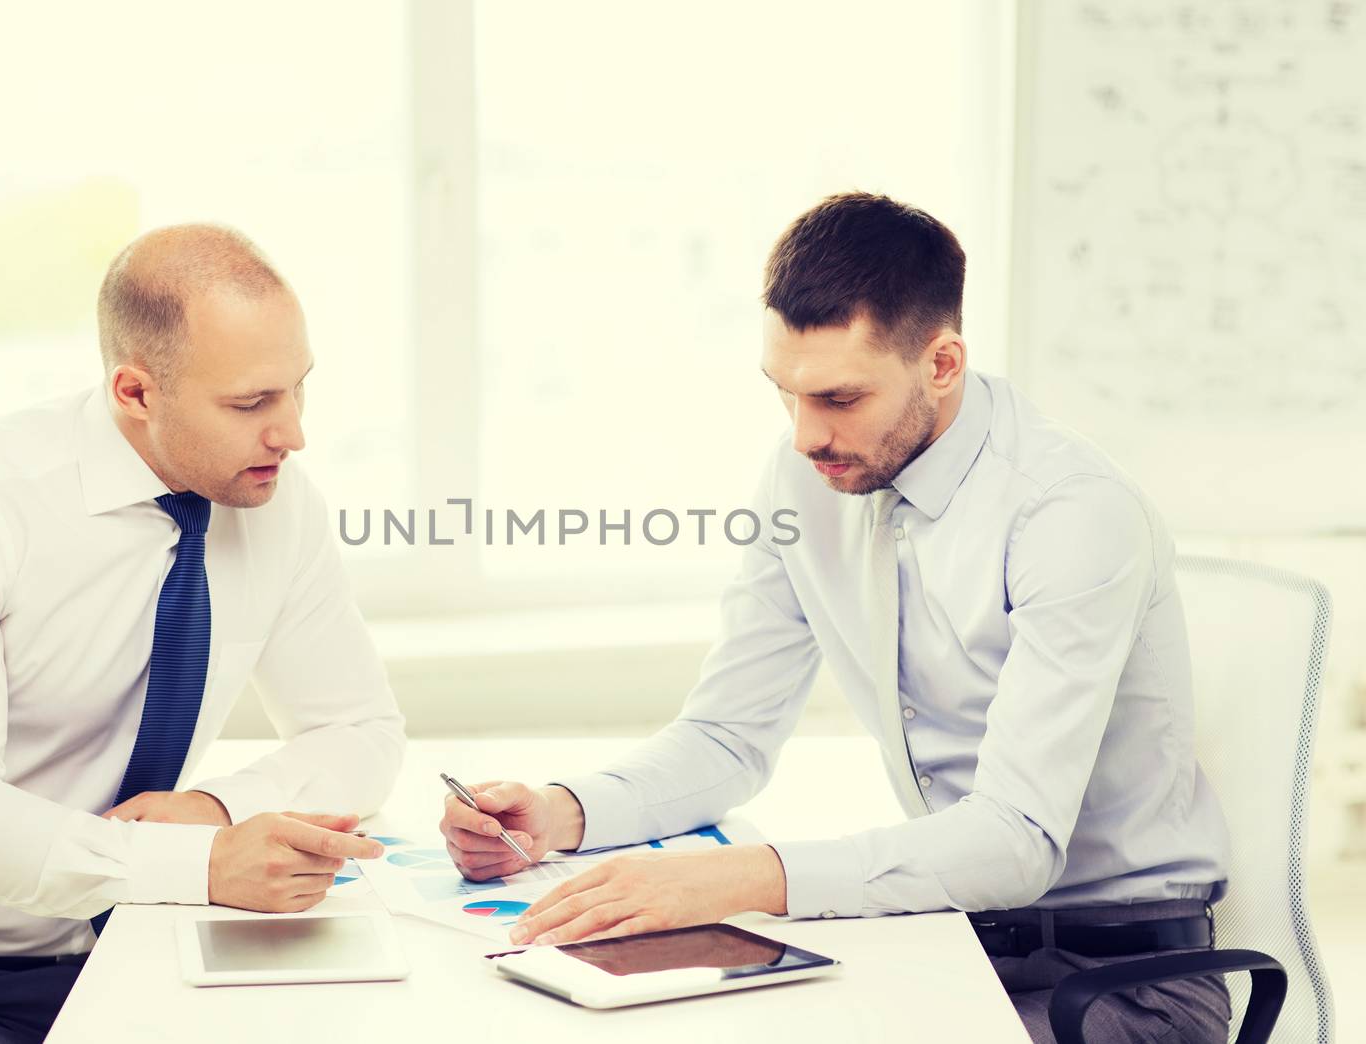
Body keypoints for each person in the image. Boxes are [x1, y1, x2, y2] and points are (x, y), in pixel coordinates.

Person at [438, 193, 1232, 1043]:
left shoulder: (1069, 513)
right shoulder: (807, 479)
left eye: (840, 399)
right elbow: (727, 739)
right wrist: (563, 813)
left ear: (943, 362)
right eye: (785, 395)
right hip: (948, 940)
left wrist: (738, 879)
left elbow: (1014, 840)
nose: (805, 434)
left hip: (1122, 981)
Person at [0, 225, 402, 1043]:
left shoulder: (278, 503)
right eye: (250, 403)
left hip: (146, 950)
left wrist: (215, 808)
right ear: (135, 391)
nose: (292, 434)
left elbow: (360, 730)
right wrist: (203, 865)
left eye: (298, 389)